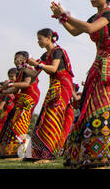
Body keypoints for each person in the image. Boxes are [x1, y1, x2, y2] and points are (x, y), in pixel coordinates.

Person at [51, 0, 110, 169]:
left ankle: (100, 157)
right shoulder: (95, 16)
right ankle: (85, 155)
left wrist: (65, 15)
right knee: (88, 103)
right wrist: (62, 19)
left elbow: (89, 29)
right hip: (100, 59)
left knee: (103, 102)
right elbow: (76, 31)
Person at [25, 29, 74, 163]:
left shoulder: (57, 51)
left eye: (40, 38)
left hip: (63, 85)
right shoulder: (45, 55)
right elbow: (34, 74)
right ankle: (37, 153)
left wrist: (38, 64)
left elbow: (53, 68)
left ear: (48, 38)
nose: (38, 41)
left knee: (53, 116)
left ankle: (48, 155)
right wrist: (23, 66)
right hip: (54, 85)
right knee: (45, 116)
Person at [0, 51, 40, 160]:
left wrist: (9, 84)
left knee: (20, 124)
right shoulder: (20, 72)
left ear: (25, 60)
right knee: (15, 124)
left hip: (28, 99)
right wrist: (0, 91)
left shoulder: (28, 70)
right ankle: (11, 152)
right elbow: (15, 89)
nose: (16, 61)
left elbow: (26, 84)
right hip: (22, 99)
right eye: (15, 59)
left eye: (19, 59)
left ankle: (18, 154)